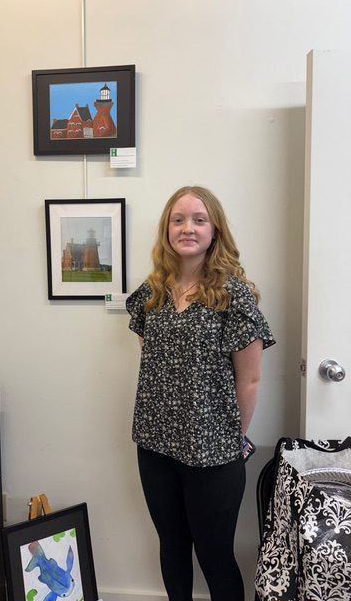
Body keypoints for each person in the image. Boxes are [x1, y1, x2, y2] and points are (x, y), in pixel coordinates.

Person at [126, 186, 275, 601]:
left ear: (214, 230)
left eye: (198, 219)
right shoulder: (151, 293)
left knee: (215, 556)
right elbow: (153, 358)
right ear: (166, 230)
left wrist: (230, 436)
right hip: (155, 446)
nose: (187, 228)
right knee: (172, 548)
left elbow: (250, 380)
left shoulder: (234, 296)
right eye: (178, 220)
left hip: (213, 454)